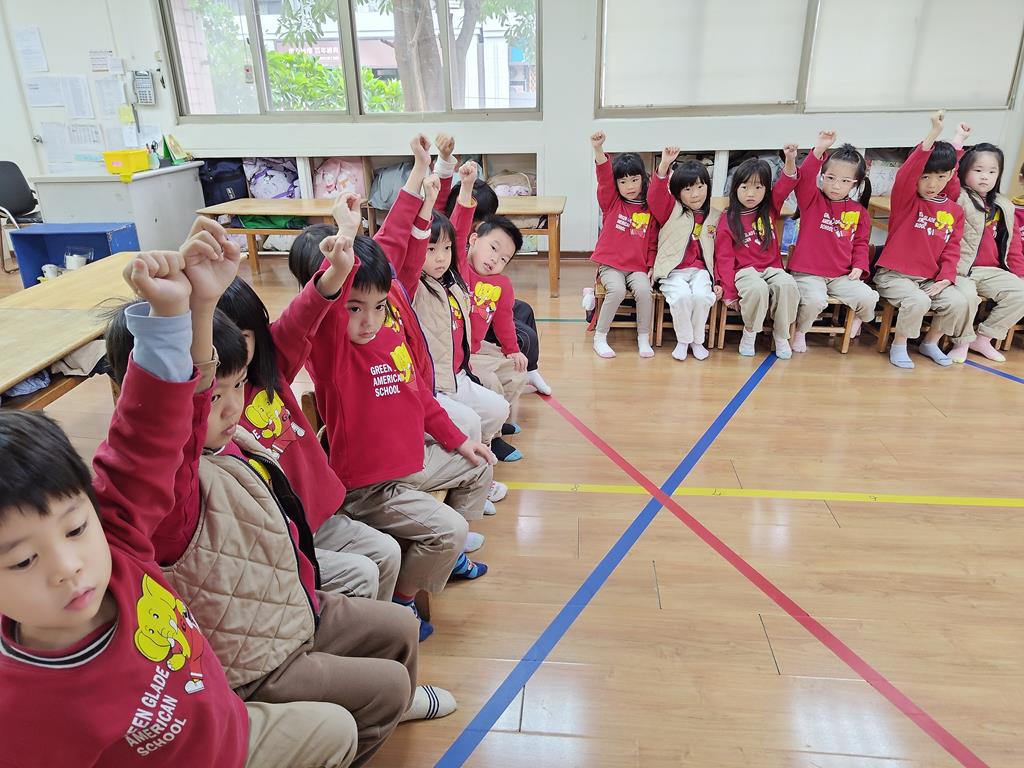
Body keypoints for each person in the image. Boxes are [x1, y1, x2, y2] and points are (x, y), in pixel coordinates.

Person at [0, 246, 359, 767]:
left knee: (339, 729)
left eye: (75, 529)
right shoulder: (20, 709)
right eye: (23, 560)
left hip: (232, 726)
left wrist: (173, 316)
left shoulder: (118, 543)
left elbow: (144, 440)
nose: (68, 567)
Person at [297, 222, 495, 642]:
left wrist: (459, 441)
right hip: (369, 489)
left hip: (410, 465)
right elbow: (324, 309)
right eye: (354, 308)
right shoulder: (333, 353)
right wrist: (343, 246)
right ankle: (404, 600)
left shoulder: (388, 335)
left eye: (379, 305)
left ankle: (445, 559)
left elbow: (421, 397)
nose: (368, 320)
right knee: (449, 530)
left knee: (479, 465)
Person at [216, 271, 402, 600]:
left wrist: (338, 269)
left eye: (243, 337)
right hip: (278, 541)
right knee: (362, 574)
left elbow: (301, 317)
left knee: (387, 552)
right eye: (219, 343)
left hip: (317, 518)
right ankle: (345, 627)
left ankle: (380, 619)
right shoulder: (210, 412)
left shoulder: (271, 369)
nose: (233, 351)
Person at [872, 111, 976, 368]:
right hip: (894, 276)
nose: (932, 184)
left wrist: (946, 278)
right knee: (918, 300)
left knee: (957, 301)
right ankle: (899, 345)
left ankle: (930, 342)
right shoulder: (906, 201)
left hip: (929, 279)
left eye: (940, 177)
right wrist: (934, 133)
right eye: (925, 177)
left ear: (950, 175)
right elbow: (907, 173)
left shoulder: (954, 210)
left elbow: (952, 249)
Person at [789, 131, 879, 352]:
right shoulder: (812, 199)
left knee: (869, 297)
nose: (836, 186)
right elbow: (805, 177)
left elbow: (861, 243)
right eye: (830, 178)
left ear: (855, 184)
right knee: (814, 301)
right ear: (822, 176)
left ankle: (859, 319)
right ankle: (801, 332)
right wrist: (819, 149)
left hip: (841, 276)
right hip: (808, 273)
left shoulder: (859, 212)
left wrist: (859, 265)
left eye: (845, 181)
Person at [941, 132, 1024, 362]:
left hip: (992, 270)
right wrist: (958, 142)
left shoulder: (1004, 205)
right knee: (967, 297)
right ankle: (962, 342)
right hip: (961, 269)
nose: (985, 177)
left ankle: (984, 338)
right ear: (964, 170)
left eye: (992, 171)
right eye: (978, 170)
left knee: (1021, 293)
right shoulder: (957, 196)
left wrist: (1020, 274)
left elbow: (1013, 245)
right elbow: (948, 176)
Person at [714, 146, 801, 358]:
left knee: (788, 285)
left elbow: (787, 182)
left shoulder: (769, 208)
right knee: (757, 288)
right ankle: (750, 333)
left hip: (772, 268)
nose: (751, 193)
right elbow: (724, 258)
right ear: (735, 188)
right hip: (744, 271)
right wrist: (729, 293)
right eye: (744, 187)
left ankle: (781, 336)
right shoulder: (728, 218)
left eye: (758, 187)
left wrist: (790, 158)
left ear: (766, 190)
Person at [647, 147, 721, 361]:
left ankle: (697, 341)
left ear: (707, 187)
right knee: (681, 296)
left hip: (701, 272)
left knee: (702, 296)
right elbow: (655, 195)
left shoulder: (715, 216)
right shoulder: (671, 210)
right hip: (673, 271)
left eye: (700, 186)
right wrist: (664, 165)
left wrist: (719, 280)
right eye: (688, 189)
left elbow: (720, 252)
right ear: (678, 192)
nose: (695, 194)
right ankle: (683, 340)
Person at [589, 130, 658, 358]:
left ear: (643, 179)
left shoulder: (649, 208)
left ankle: (643, 338)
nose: (629, 186)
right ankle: (600, 337)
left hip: (637, 267)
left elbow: (652, 241)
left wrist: (651, 265)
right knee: (617, 290)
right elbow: (604, 178)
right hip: (611, 265)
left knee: (644, 291)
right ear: (617, 183)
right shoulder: (611, 202)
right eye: (623, 181)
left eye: (634, 179)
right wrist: (598, 149)